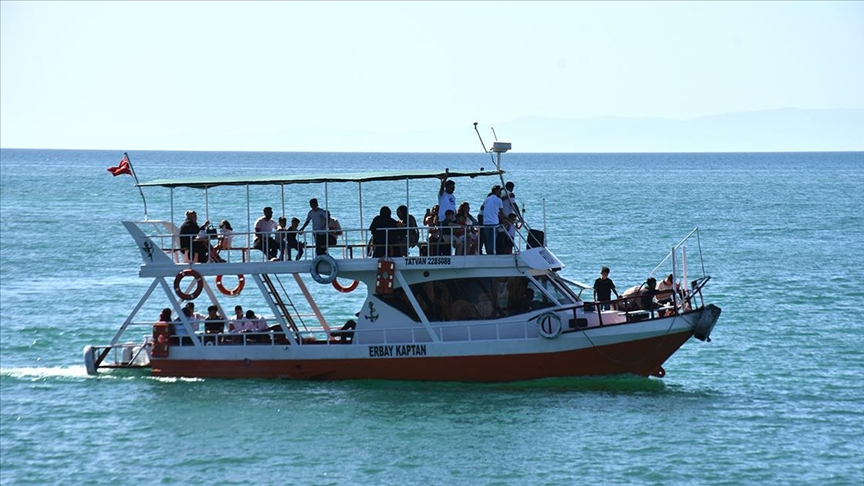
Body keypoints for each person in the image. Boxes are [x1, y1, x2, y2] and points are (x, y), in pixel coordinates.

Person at [481, 185, 507, 255]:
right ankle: (491, 254)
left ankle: (488, 252)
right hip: (494, 222)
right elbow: (501, 213)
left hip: (486, 222)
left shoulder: (487, 199)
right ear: (496, 191)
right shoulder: (499, 200)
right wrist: (504, 221)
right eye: (499, 191)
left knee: (487, 240)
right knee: (492, 240)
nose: (500, 193)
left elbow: (482, 208)